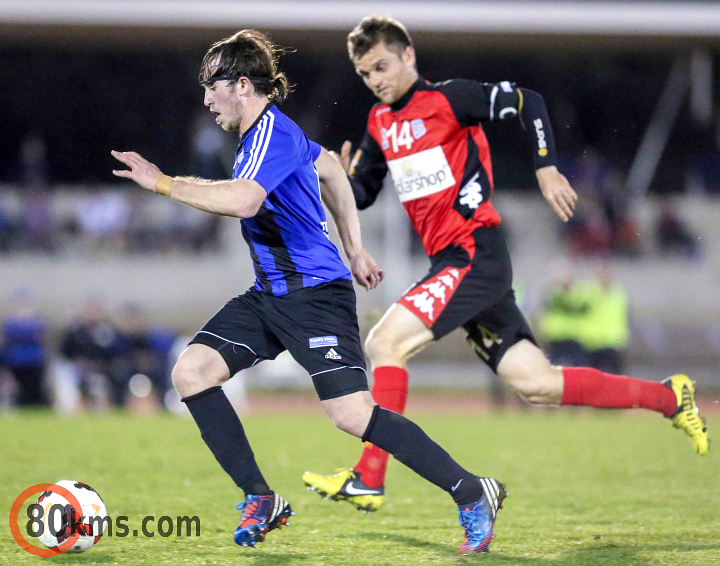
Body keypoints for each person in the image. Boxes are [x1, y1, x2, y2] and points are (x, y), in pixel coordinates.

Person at [111, 29, 507, 553]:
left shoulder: (271, 132)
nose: (206, 99)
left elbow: (245, 200)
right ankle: (260, 497)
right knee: (191, 371)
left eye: (213, 86)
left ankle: (470, 490)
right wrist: (357, 248)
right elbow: (333, 172)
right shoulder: (270, 135)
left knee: (352, 415)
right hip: (271, 294)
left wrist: (164, 183)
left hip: (316, 296)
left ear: (243, 85)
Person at [302, 14, 709, 515]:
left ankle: (370, 476)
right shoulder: (379, 124)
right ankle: (670, 398)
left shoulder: (450, 99)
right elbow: (362, 194)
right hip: (456, 264)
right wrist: (337, 181)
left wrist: (545, 166)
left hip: (474, 253)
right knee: (536, 383)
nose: (376, 80)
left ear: (409, 55)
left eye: (382, 66)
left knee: (384, 342)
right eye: (365, 74)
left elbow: (527, 102)